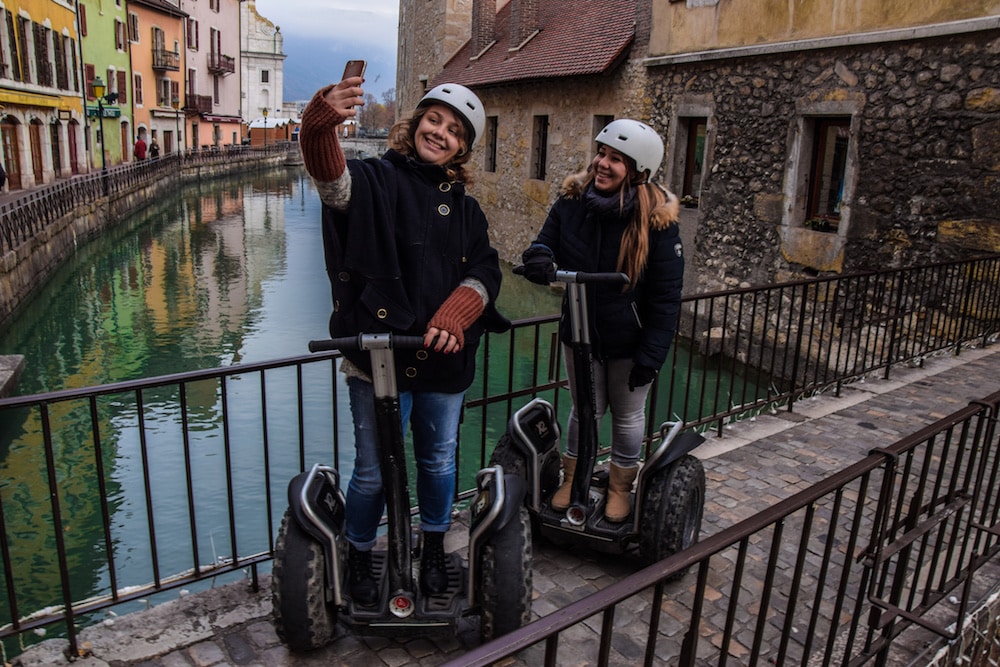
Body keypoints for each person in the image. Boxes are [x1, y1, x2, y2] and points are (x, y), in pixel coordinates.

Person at [298, 76, 509, 606]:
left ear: (462, 148)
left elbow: (486, 269)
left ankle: (433, 546)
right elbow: (333, 186)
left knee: (438, 463)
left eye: (454, 131)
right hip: (377, 358)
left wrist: (459, 309)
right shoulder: (376, 179)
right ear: (416, 124)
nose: (440, 133)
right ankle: (359, 552)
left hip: (442, 360)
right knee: (371, 472)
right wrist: (320, 125)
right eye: (434, 120)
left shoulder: (468, 211)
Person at [518, 118, 683, 522]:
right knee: (583, 410)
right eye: (602, 154)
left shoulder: (657, 223)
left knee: (627, 416)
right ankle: (573, 478)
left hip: (630, 339)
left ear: (639, 171)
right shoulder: (572, 203)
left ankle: (620, 487)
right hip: (580, 331)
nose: (602, 164)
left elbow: (665, 298)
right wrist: (539, 258)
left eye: (616, 159)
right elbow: (544, 242)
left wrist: (652, 356)